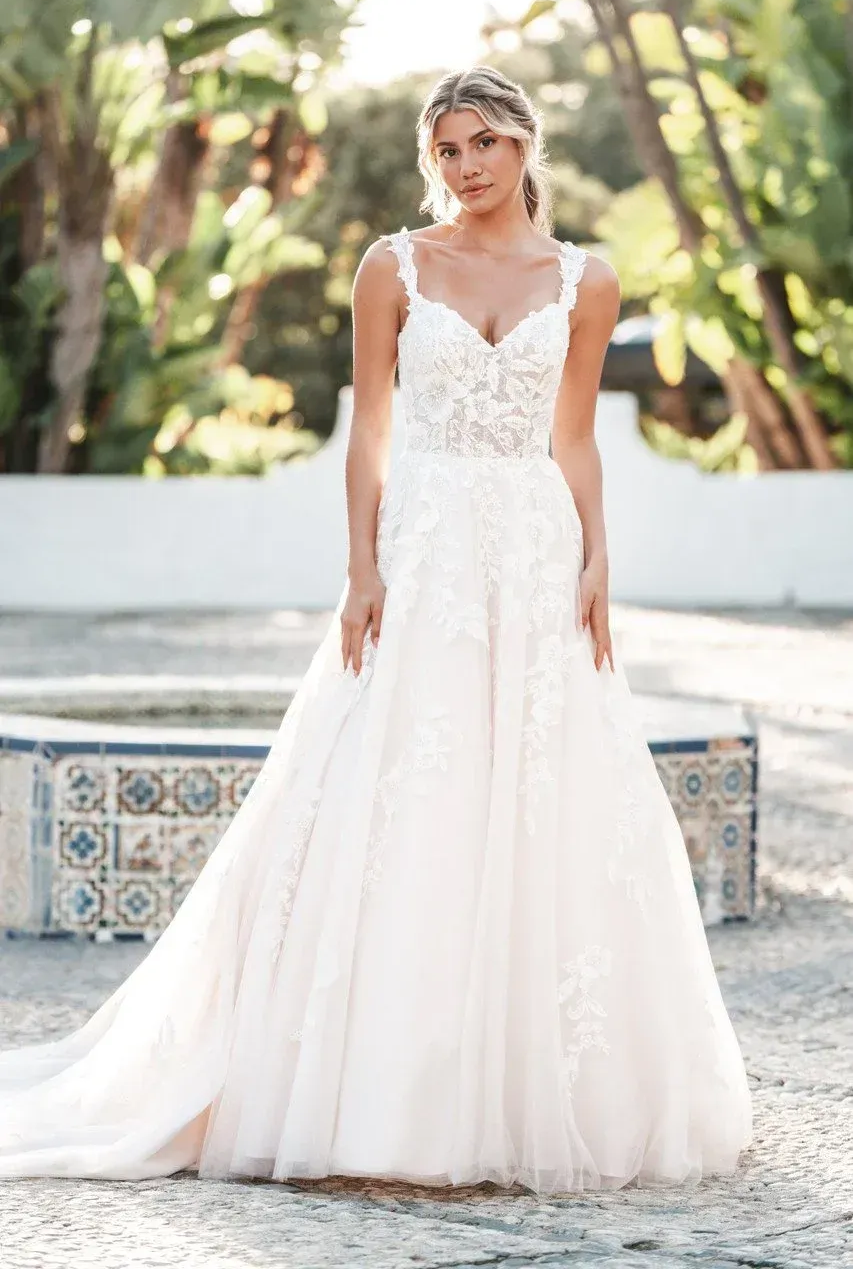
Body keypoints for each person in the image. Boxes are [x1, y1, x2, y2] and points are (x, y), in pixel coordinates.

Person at [0, 65, 752, 1195]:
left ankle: (534, 1088)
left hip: (534, 546)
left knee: (543, 790)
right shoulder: (391, 267)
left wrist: (600, 554)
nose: (467, 167)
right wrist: (360, 567)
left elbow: (577, 437)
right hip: (429, 544)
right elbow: (369, 433)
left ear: (524, 144)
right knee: (407, 781)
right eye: (447, 150)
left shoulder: (584, 280)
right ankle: (376, 1090)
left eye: (486, 143)